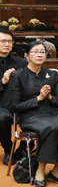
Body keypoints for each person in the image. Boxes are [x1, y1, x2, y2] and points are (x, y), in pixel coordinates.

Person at [6, 41, 58, 187]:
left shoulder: (52, 75)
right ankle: (41, 169)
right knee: (52, 127)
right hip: (30, 116)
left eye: (42, 52)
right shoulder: (18, 76)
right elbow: (14, 106)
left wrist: (50, 98)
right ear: (26, 56)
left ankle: (56, 170)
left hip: (51, 113)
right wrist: (38, 99)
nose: (39, 55)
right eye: (35, 52)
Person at [0, 27, 26, 164]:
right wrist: (3, 81)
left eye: (9, 41)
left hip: (20, 101)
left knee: (39, 113)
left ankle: (23, 148)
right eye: (3, 41)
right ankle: (8, 148)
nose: (7, 44)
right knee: (3, 118)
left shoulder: (21, 62)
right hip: (1, 104)